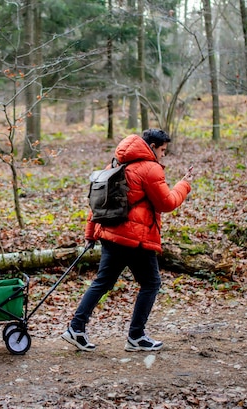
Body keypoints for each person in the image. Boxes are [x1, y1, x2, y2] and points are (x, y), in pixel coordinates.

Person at [62, 129, 193, 352]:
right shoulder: (150, 169)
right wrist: (185, 184)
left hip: (111, 236)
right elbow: (166, 204)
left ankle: (76, 328)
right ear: (152, 146)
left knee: (102, 282)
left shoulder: (115, 164)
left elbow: (97, 205)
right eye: (162, 150)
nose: (163, 156)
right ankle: (136, 336)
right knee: (151, 284)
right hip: (135, 239)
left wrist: (90, 233)